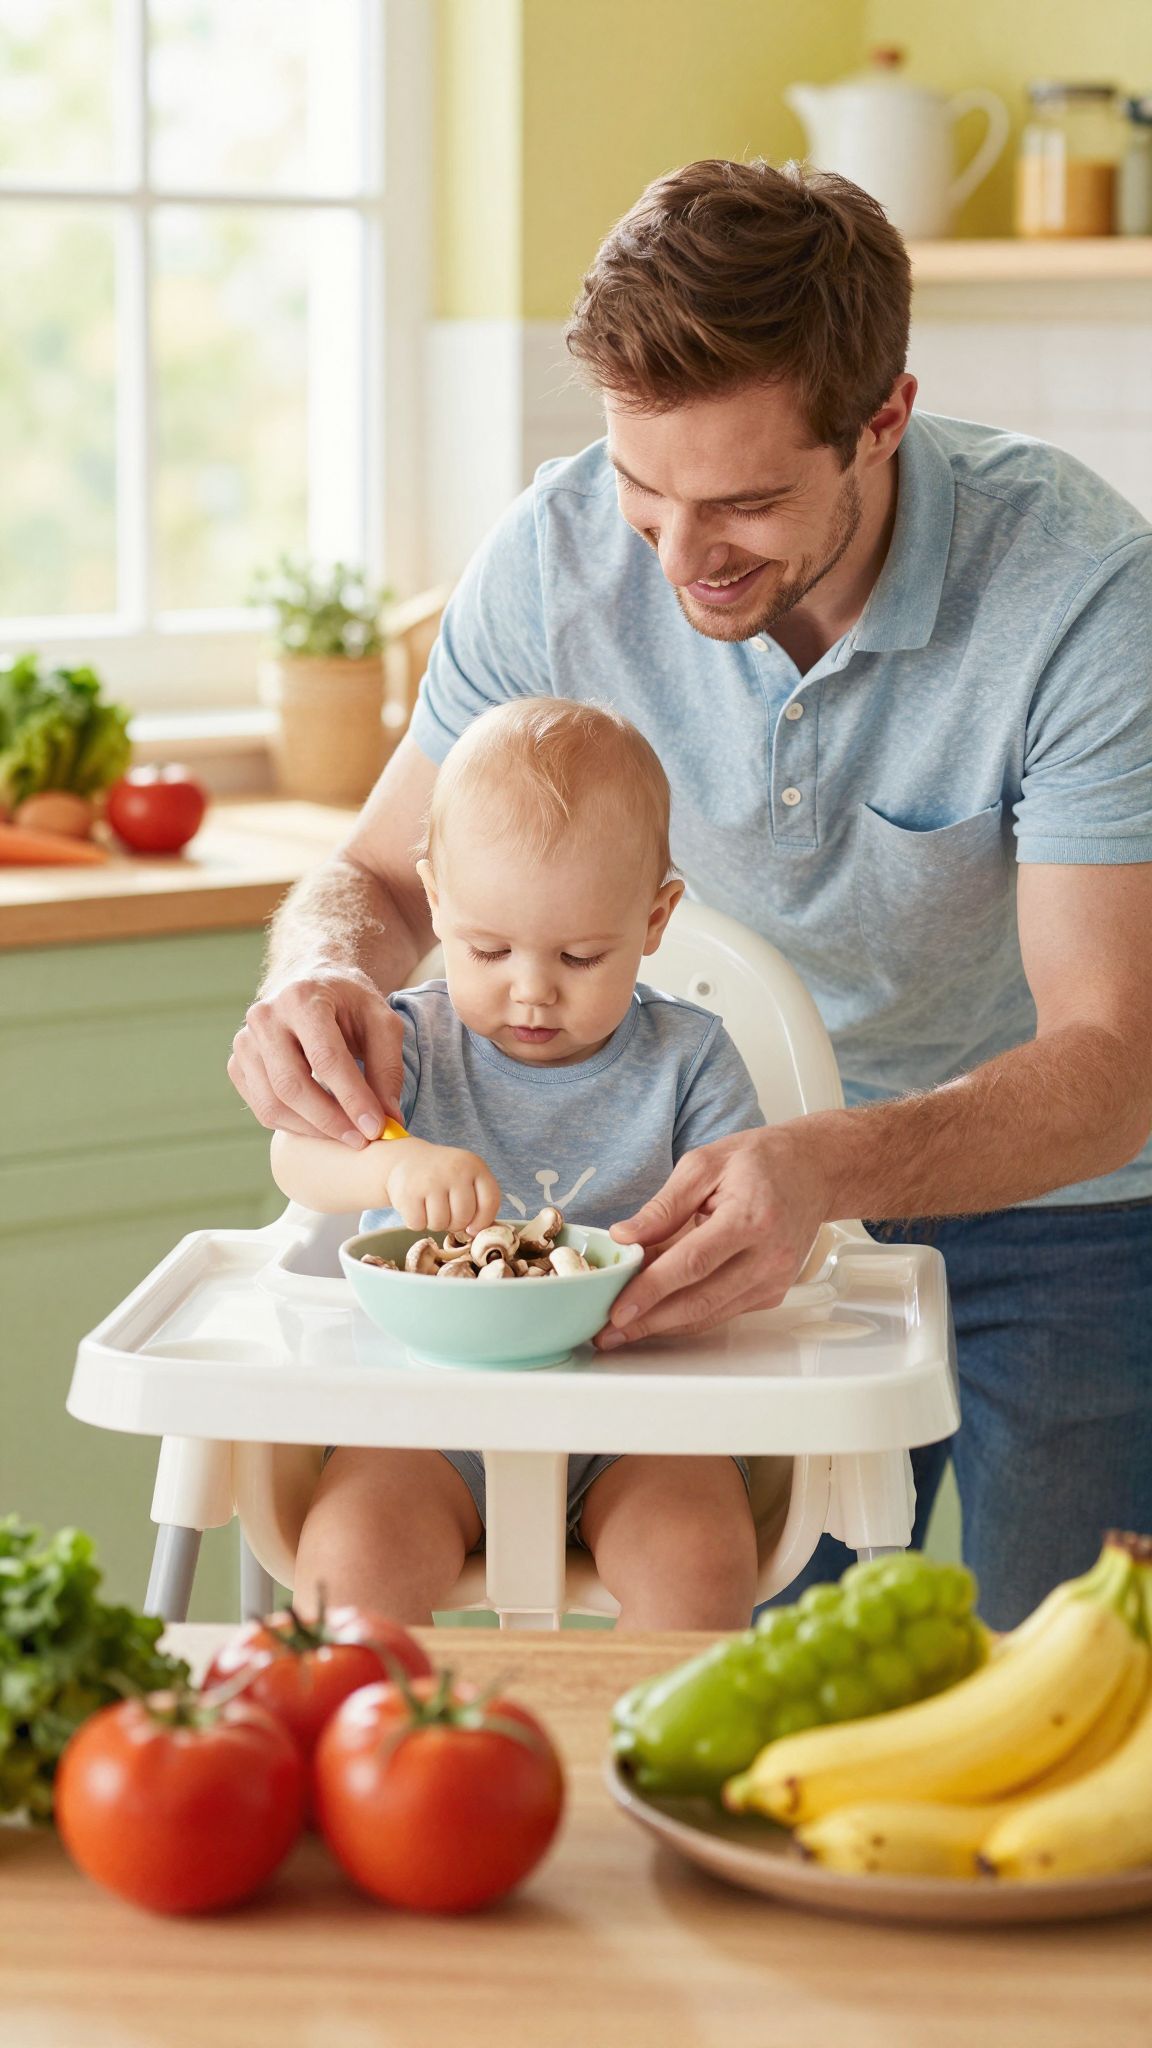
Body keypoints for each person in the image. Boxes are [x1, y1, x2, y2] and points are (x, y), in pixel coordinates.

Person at [231, 158, 1152, 1629]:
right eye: (642, 488)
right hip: (720, 1202)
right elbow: (378, 877)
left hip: (1062, 1208)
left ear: (885, 416)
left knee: (1076, 1657)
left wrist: (823, 1170)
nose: (675, 557)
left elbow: (1113, 1064)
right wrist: (315, 973)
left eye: (743, 505)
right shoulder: (557, 551)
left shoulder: (1082, 593)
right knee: (774, 1672)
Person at [270, 696, 766, 1629]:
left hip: (641, 1415)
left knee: (700, 1565)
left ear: (656, 919)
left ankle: (645, 1767)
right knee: (347, 1565)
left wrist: (699, 1246)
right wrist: (391, 1168)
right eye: (487, 948)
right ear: (436, 900)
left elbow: (741, 1209)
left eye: (581, 955)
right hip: (427, 1417)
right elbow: (293, 1153)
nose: (530, 991)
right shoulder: (409, 1040)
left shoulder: (690, 1059)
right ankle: (379, 1761)